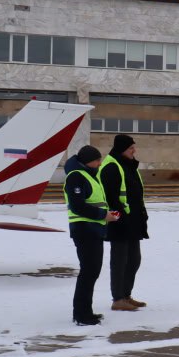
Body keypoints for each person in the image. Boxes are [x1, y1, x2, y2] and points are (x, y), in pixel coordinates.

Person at [64, 145, 120, 326]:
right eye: (97, 160)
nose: (100, 163)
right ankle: (81, 315)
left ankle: (86, 312)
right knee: (88, 272)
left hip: (94, 229)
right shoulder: (76, 176)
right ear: (88, 161)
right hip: (84, 230)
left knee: (92, 271)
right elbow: (77, 206)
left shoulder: (89, 175)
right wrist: (103, 215)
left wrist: (106, 214)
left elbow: (94, 202)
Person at [99, 134, 148, 311]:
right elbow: (110, 198)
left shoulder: (128, 166)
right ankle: (118, 298)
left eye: (133, 147)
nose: (134, 150)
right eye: (130, 148)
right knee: (120, 261)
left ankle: (126, 295)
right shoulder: (111, 167)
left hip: (133, 222)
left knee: (134, 260)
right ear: (122, 149)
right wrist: (119, 217)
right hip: (120, 222)